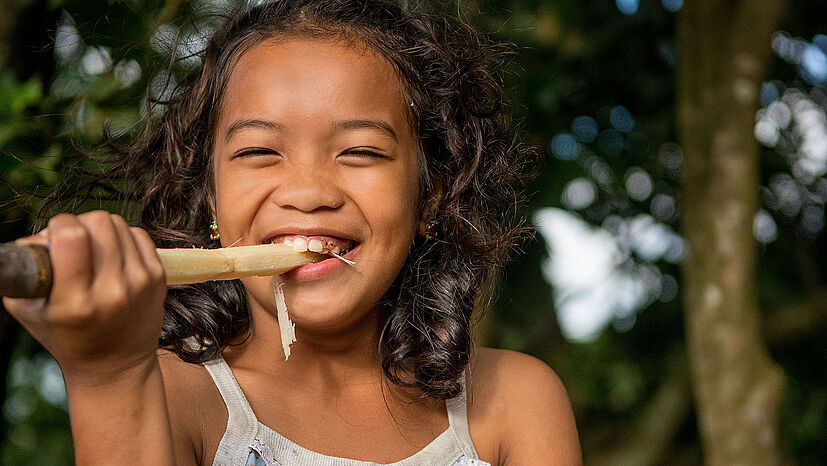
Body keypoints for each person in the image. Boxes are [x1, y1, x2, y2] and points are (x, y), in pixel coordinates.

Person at [3, 1, 581, 464]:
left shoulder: (513, 404)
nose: (307, 192)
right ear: (212, 198)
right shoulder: (172, 398)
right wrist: (109, 377)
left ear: (429, 193)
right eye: (258, 151)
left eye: (359, 151)